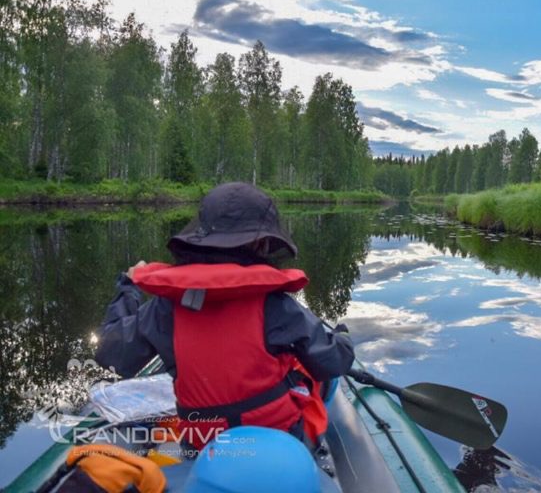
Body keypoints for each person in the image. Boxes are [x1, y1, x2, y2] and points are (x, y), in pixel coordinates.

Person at [95, 182, 355, 450]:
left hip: (202, 444)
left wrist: (128, 287)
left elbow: (110, 353)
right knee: (319, 376)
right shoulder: (277, 306)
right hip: (277, 441)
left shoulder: (166, 307)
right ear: (262, 244)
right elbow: (332, 362)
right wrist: (343, 338)